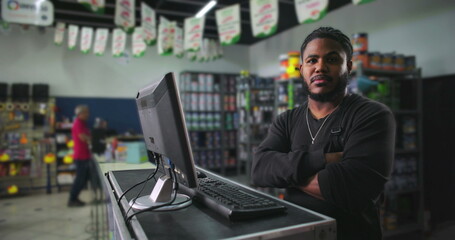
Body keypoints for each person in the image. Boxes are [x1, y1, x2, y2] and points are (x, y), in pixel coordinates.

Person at [252, 27, 396, 239]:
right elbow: (260, 169)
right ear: (301, 69)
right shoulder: (287, 120)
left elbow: (352, 189)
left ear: (347, 66)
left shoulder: (372, 115)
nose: (320, 67)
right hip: (296, 233)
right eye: (312, 60)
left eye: (331, 59)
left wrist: (285, 174)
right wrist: (325, 159)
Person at [68, 105, 92, 207]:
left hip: (85, 155)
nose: (88, 114)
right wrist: (92, 140)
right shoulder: (78, 123)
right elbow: (82, 137)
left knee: (83, 179)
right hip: (81, 156)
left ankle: (75, 198)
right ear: (80, 114)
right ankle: (72, 199)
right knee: (80, 179)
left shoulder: (82, 123)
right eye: (86, 112)